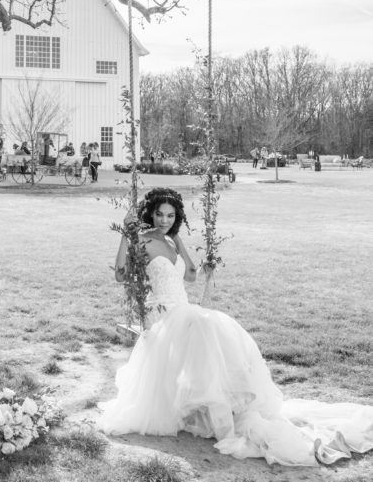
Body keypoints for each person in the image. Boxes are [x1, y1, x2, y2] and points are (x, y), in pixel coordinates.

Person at [100, 188, 373, 466]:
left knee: (214, 328)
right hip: (160, 313)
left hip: (182, 309)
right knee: (207, 328)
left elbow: (192, 276)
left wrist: (194, 256)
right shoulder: (142, 241)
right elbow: (121, 277)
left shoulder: (172, 241)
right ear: (150, 213)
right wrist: (126, 233)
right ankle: (220, 411)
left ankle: (229, 408)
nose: (164, 220)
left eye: (171, 215)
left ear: (177, 217)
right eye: (159, 214)